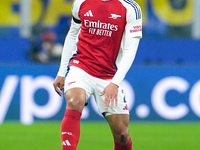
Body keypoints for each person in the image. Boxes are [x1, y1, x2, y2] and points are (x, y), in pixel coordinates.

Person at [53, 0, 142, 149]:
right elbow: (72, 33)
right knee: (75, 100)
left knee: (122, 135)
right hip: (81, 67)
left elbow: (130, 50)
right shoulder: (81, 2)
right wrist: (62, 72)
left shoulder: (130, 7)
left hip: (109, 75)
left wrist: (115, 83)